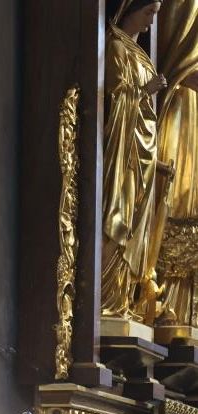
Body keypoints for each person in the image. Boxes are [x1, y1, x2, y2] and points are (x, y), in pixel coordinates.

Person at [101, 0, 166, 320]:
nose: (151, 22)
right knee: (119, 220)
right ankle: (105, 300)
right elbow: (115, 99)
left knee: (135, 224)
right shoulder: (115, 46)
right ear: (130, 7)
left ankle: (122, 300)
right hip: (122, 156)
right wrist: (144, 90)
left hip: (142, 155)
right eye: (148, 13)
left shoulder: (138, 52)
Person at [155, 0, 198, 327]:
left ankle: (185, 317)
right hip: (178, 105)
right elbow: (176, 51)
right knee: (174, 204)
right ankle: (161, 305)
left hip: (189, 107)